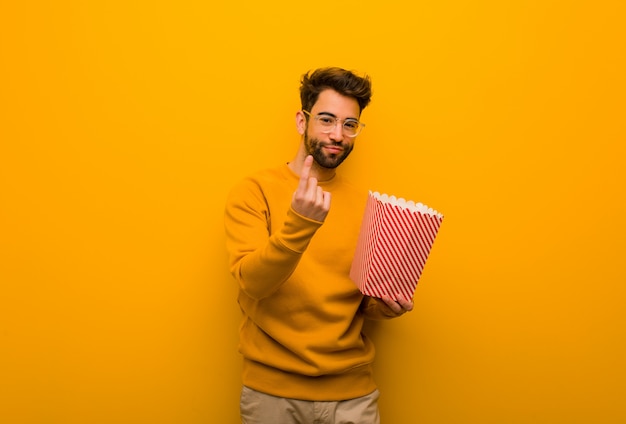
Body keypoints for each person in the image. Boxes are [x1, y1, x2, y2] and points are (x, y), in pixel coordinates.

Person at [224, 67, 414, 424]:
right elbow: (253, 283)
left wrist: (384, 306)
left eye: (349, 124)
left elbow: (359, 300)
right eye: (326, 119)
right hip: (272, 396)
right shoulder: (253, 192)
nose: (337, 134)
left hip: (353, 396)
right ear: (301, 120)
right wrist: (300, 222)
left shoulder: (366, 204)